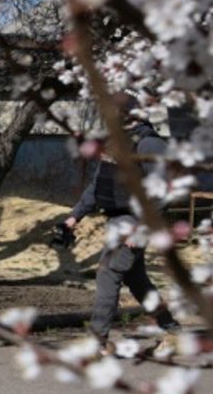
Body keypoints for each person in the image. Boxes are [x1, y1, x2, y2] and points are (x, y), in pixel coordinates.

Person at [63, 93, 180, 351]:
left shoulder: (150, 145)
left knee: (108, 272)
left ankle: (98, 342)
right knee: (136, 278)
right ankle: (170, 330)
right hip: (117, 220)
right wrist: (74, 216)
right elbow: (99, 184)